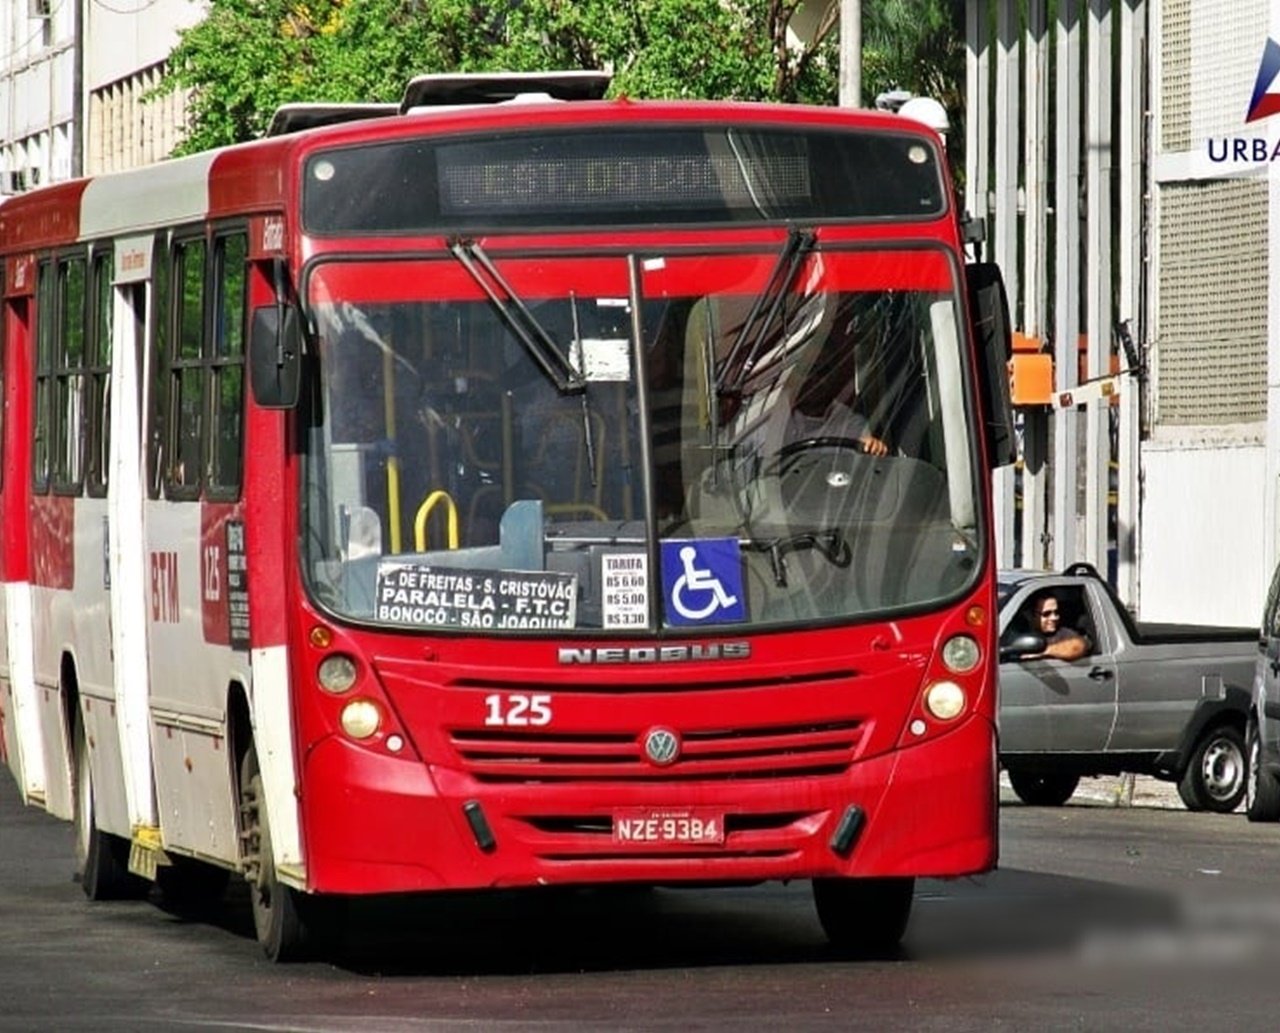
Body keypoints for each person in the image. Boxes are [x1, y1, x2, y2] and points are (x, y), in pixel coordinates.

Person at [1018, 593, 1091, 661]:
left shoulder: (1064, 634)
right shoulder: (1019, 634)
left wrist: (1044, 651)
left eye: (1056, 612)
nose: (1054, 618)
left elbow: (1079, 646)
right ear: (1031, 615)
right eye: (1046, 614)